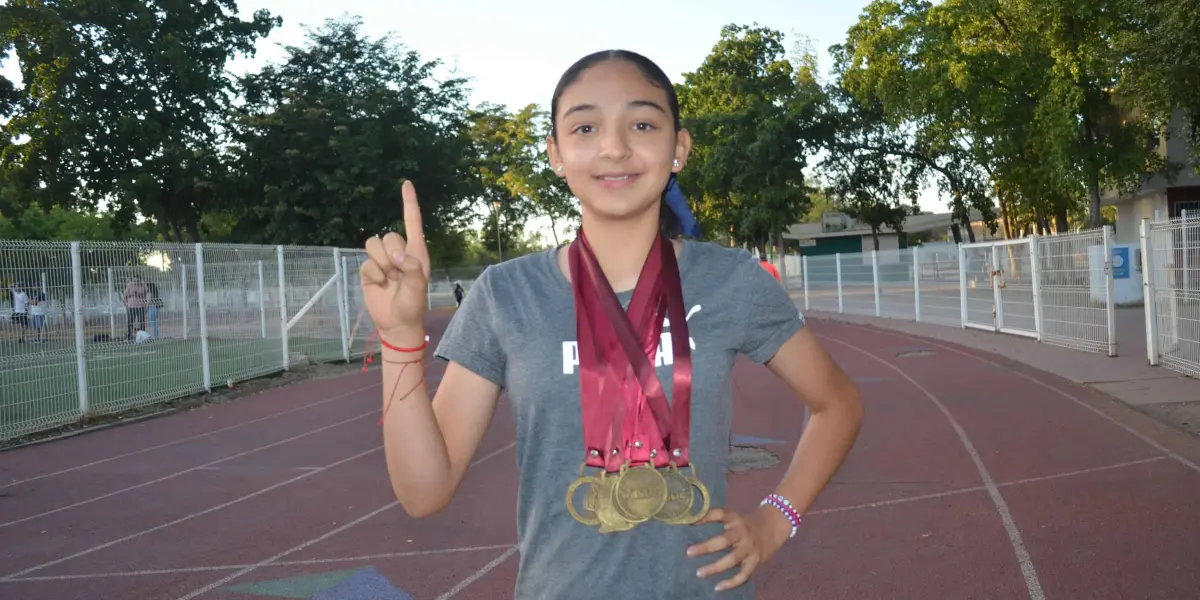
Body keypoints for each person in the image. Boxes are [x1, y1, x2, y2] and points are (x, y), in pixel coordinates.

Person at [359, 50, 863, 600]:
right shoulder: (506, 294)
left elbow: (838, 403)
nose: (615, 147)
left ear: (680, 148)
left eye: (642, 124)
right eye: (585, 126)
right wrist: (401, 337)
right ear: (556, 154)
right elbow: (423, 493)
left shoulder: (730, 280)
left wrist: (775, 520)